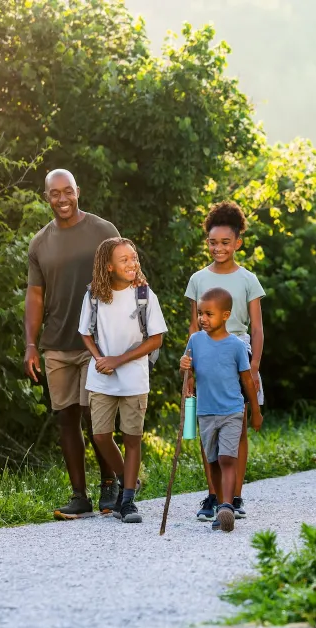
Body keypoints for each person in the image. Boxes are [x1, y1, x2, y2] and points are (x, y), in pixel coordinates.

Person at [24, 168, 137, 519]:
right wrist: (31, 344)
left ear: (78, 191)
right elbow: (35, 295)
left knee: (96, 415)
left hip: (97, 344)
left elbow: (125, 281)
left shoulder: (104, 231)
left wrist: (126, 340)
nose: (62, 198)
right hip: (57, 343)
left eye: (68, 191)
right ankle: (79, 496)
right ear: (47, 197)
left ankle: (110, 487)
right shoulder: (39, 243)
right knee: (66, 418)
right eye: (55, 193)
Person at [183, 202, 266, 522]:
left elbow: (256, 327)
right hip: (205, 355)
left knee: (237, 425)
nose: (219, 248)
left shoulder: (248, 279)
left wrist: (255, 364)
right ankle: (213, 495)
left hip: (238, 354)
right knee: (208, 427)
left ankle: (236, 496)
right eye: (213, 242)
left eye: (225, 242)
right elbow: (194, 327)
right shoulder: (198, 279)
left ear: (238, 243)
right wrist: (190, 371)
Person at [78, 237, 167, 523]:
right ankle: (126, 478)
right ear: (108, 267)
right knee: (101, 436)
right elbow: (85, 333)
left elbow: (156, 339)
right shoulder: (93, 295)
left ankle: (127, 500)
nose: (132, 263)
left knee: (132, 438)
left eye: (134, 257)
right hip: (102, 376)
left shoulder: (144, 295)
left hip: (134, 378)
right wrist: (99, 357)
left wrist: (118, 360)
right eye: (124, 259)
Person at [179, 287, 263, 532]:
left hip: (232, 411)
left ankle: (227, 505)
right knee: (213, 460)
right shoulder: (195, 341)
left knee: (227, 458)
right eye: (200, 313)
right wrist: (184, 366)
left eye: (208, 314)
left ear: (226, 315)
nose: (202, 319)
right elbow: (187, 374)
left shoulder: (236, 345)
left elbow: (247, 380)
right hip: (205, 412)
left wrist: (255, 411)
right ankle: (218, 502)